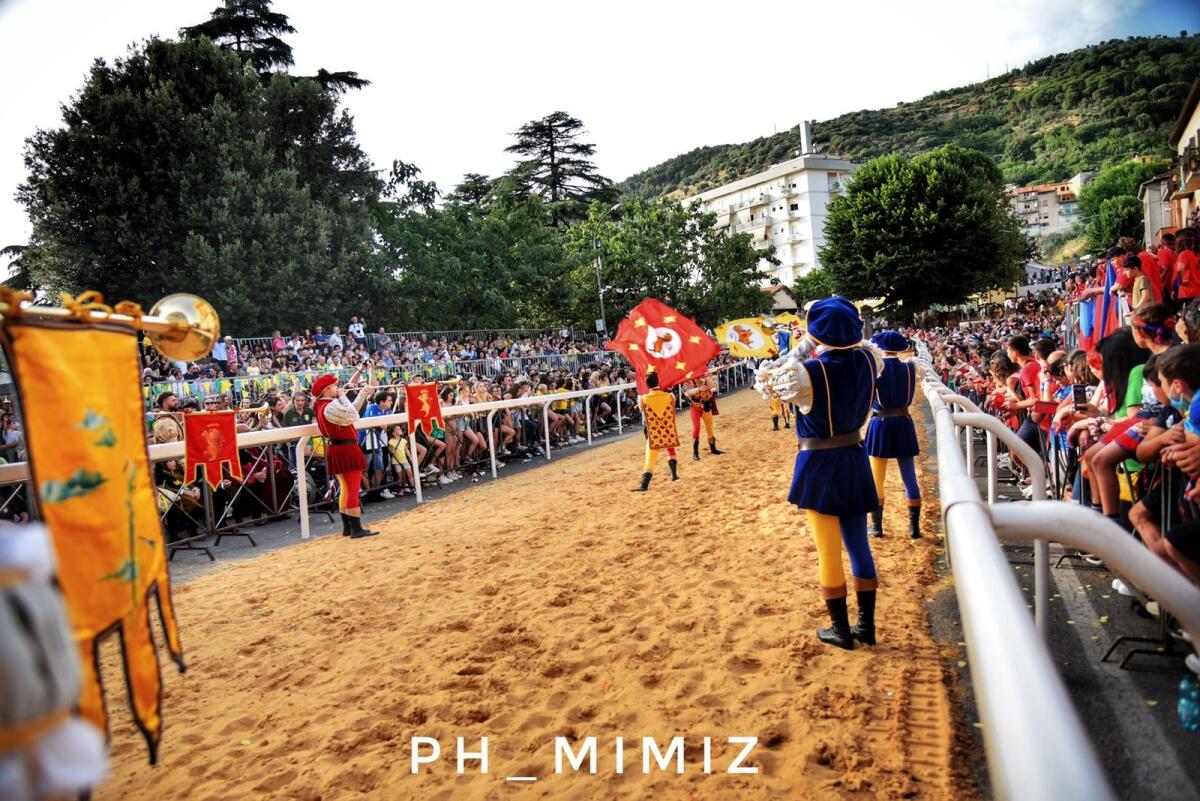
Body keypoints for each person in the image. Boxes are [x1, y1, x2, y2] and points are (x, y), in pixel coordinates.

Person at [767, 297, 882, 650]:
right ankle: (866, 626)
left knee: (828, 552)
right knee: (859, 545)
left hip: (818, 462)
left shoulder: (805, 373)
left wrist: (802, 347)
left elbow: (771, 382)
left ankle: (841, 629)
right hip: (854, 455)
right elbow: (862, 345)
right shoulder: (869, 358)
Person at [865, 330, 922, 539]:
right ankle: (914, 528)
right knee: (909, 478)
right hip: (904, 423)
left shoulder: (875, 369)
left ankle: (877, 527)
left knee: (876, 478)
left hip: (880, 423)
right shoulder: (910, 367)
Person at [312, 371, 379, 539]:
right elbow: (353, 415)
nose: (337, 388)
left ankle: (348, 528)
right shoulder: (329, 405)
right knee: (352, 489)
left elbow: (350, 411)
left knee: (346, 489)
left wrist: (363, 393)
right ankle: (356, 528)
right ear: (327, 390)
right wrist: (343, 396)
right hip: (346, 449)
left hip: (339, 448)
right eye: (334, 386)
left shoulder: (324, 405)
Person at [632, 372, 680, 492]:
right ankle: (674, 475)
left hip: (654, 434)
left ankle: (644, 485)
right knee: (671, 449)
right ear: (658, 381)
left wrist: (639, 398)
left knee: (650, 458)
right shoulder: (670, 396)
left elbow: (641, 407)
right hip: (668, 431)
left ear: (647, 384)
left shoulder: (644, 399)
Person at [682, 371, 724, 461]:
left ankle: (713, 449)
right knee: (696, 427)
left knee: (709, 427)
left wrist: (707, 380)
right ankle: (695, 453)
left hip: (705, 407)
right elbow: (687, 393)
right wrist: (699, 389)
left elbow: (713, 388)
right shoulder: (688, 380)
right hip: (696, 407)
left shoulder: (705, 377)